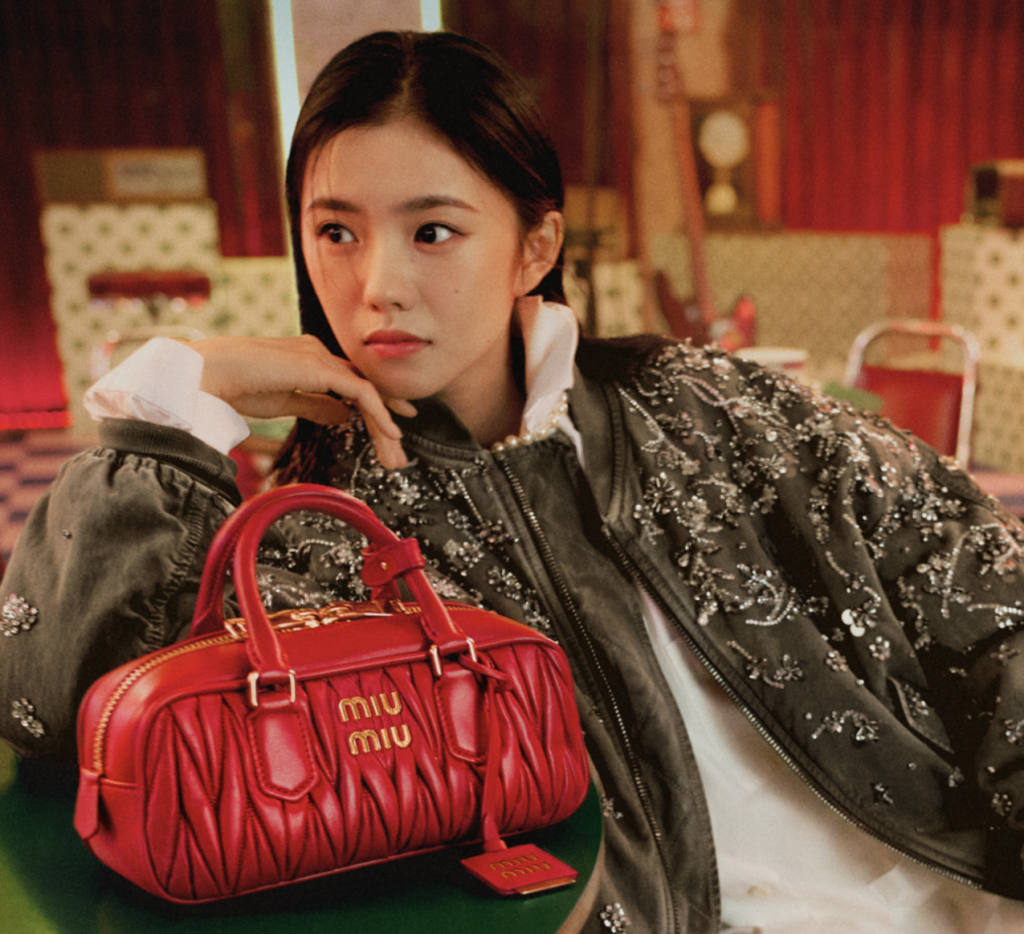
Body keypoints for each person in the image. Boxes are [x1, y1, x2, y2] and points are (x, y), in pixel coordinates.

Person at [4, 29, 1024, 934]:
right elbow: (49, 708)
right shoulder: (326, 533)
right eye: (336, 232)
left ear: (535, 247)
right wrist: (182, 388)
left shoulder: (709, 409)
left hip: (945, 891)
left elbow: (979, 582)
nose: (378, 286)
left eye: (433, 231)